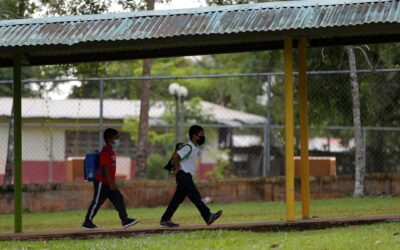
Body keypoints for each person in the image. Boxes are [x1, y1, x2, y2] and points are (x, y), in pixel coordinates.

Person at [160, 125, 222, 227]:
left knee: (177, 200)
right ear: (194, 136)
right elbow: (175, 156)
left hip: (185, 176)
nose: (203, 137)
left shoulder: (193, 148)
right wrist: (177, 169)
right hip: (184, 176)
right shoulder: (188, 147)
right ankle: (207, 216)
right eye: (201, 135)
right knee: (195, 196)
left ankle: (165, 219)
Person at [82, 128, 139, 230]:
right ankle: (87, 222)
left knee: (119, 199)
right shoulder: (105, 152)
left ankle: (125, 220)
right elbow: (105, 169)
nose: (118, 140)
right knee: (97, 202)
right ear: (109, 140)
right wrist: (111, 184)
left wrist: (112, 183)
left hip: (109, 182)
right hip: (101, 182)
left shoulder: (111, 151)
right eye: (116, 138)